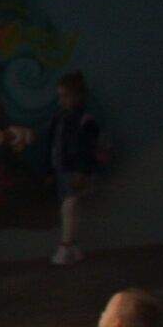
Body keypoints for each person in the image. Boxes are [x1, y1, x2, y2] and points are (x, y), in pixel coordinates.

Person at [47, 70, 103, 267]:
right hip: (62, 167)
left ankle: (66, 245)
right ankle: (73, 247)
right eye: (60, 96)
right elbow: (52, 142)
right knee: (69, 205)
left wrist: (82, 171)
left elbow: (87, 148)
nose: (61, 100)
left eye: (65, 95)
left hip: (74, 168)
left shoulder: (85, 120)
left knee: (70, 205)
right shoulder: (61, 118)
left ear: (78, 96)